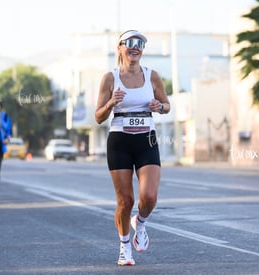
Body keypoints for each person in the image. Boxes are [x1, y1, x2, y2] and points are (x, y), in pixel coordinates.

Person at [95, 30, 170, 266]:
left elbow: (167, 106)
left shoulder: (152, 76)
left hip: (146, 139)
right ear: (120, 48)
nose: (135, 47)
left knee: (149, 197)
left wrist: (159, 106)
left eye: (139, 43)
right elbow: (98, 116)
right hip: (120, 141)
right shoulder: (110, 78)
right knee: (125, 200)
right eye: (129, 43)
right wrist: (111, 102)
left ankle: (142, 223)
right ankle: (124, 247)